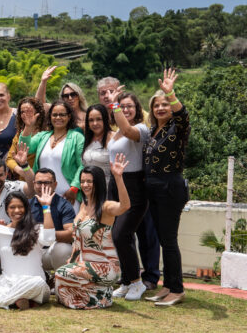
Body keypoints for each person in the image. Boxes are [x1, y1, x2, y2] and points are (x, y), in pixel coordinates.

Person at [103, 86, 161, 300]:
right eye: (122, 106)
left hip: (134, 185)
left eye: (129, 106)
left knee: (122, 234)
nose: (125, 109)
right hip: (115, 183)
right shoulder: (115, 132)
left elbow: (128, 131)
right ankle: (127, 281)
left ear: (137, 110)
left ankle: (137, 283)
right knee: (117, 235)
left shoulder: (140, 130)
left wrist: (114, 102)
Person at [141, 69, 190, 307]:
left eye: (164, 104)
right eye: (156, 105)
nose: (160, 108)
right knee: (163, 240)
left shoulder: (176, 129)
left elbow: (183, 116)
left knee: (169, 240)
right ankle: (168, 286)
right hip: (154, 189)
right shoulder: (153, 131)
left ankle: (178, 289)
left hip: (170, 187)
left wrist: (171, 94)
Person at [54, 160, 130, 309]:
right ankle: (100, 293)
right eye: (82, 181)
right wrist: (72, 261)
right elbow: (78, 239)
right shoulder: (83, 204)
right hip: (84, 264)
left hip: (105, 266)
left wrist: (119, 177)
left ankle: (100, 297)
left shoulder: (106, 207)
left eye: (90, 181)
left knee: (61, 273)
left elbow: (125, 206)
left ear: (99, 183)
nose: (85, 185)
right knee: (58, 282)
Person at [28, 100, 85, 205]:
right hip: (43, 195)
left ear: (69, 117)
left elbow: (82, 165)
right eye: (55, 115)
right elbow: (24, 148)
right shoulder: (43, 136)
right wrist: (28, 126)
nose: (58, 118)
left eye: (62, 115)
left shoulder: (77, 137)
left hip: (68, 194)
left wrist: (74, 188)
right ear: (50, 117)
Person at [5, 97, 45, 177]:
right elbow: (9, 159)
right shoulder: (19, 134)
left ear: (37, 112)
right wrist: (20, 171)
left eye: (29, 111)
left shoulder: (47, 133)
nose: (25, 114)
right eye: (22, 112)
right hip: (25, 179)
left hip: (44, 177)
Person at [82, 104, 112, 186]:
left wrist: (115, 105)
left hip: (108, 188)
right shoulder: (87, 139)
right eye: (91, 120)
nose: (95, 123)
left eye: (99, 119)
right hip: (89, 189)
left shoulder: (113, 137)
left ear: (105, 119)